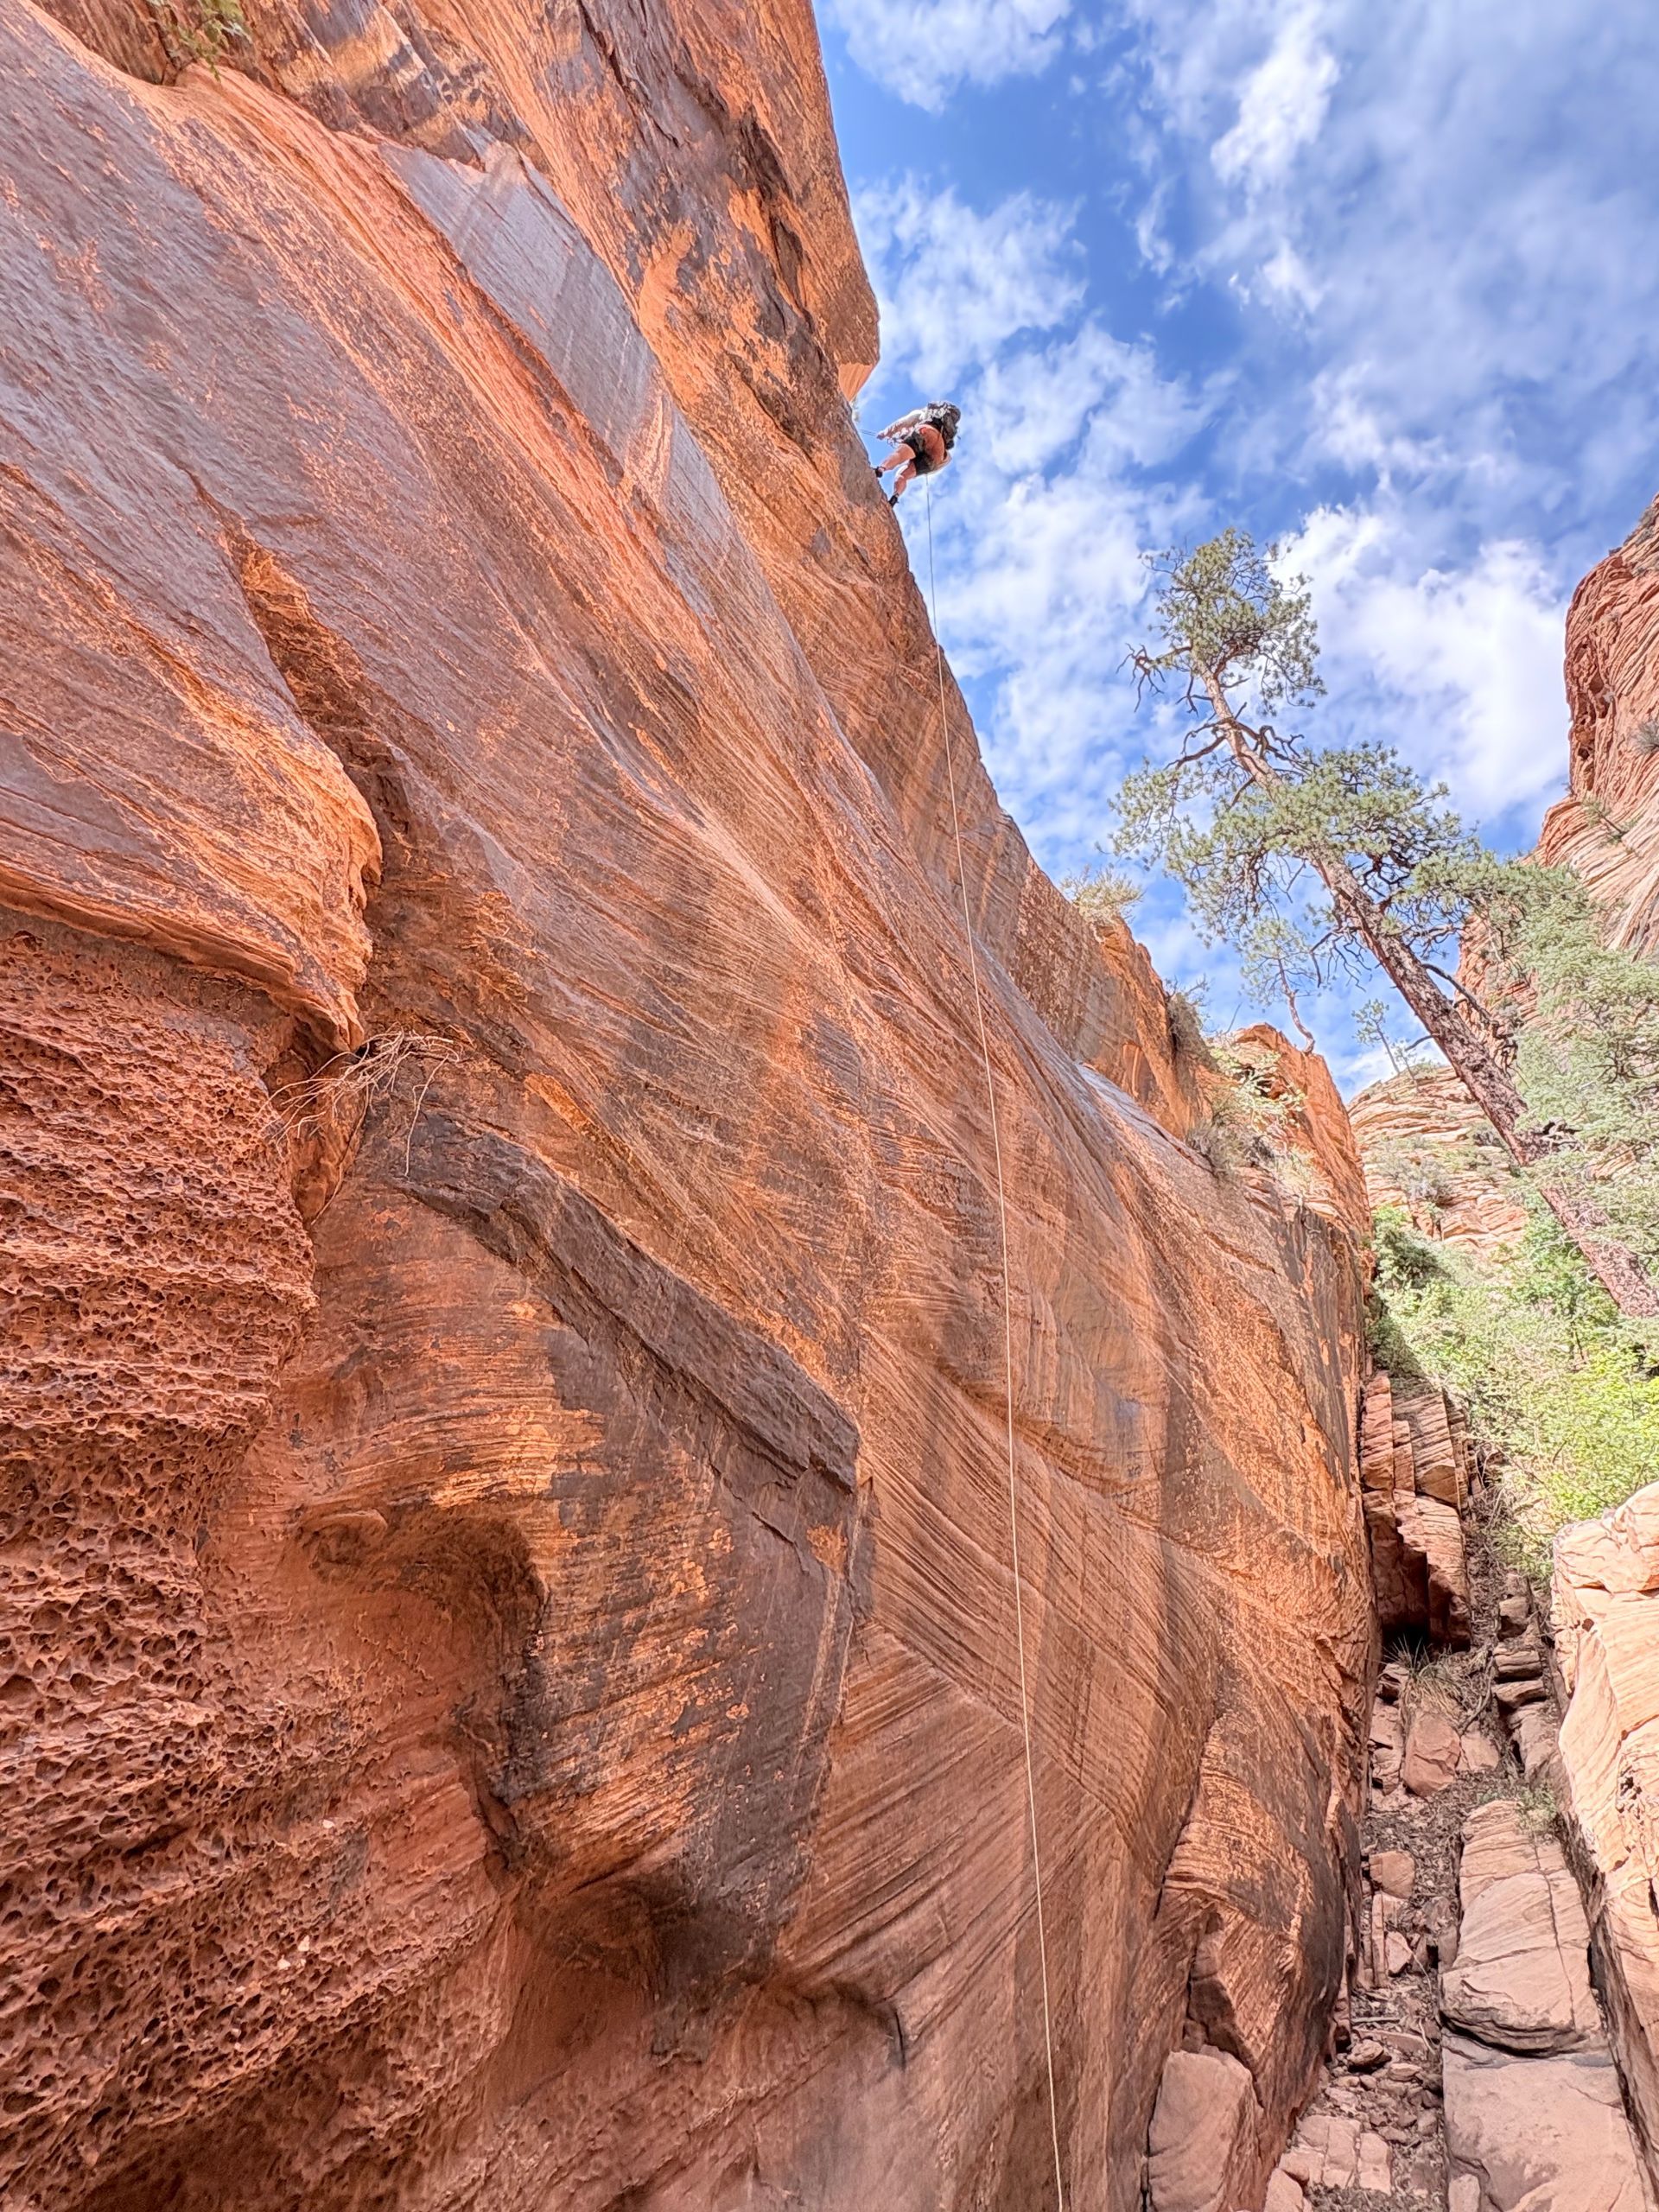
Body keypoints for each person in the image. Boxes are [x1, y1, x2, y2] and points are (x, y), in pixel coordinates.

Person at [874, 401, 961, 505]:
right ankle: (895, 497)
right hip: (938, 455)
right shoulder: (947, 436)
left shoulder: (922, 414)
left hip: (927, 432)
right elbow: (944, 460)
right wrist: (926, 470)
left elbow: (902, 423)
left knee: (900, 455)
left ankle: (881, 469)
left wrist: (885, 433)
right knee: (903, 475)